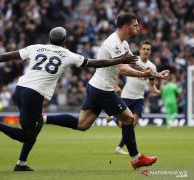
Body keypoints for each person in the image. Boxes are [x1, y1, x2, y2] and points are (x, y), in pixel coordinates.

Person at [0, 26, 139, 171]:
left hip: (20, 89)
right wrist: (119, 60)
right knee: (27, 135)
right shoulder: (67, 54)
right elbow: (96, 63)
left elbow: (8, 55)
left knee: (34, 127)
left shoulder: (36, 48)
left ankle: (21, 163)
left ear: (49, 39)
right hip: (34, 94)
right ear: (65, 40)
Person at [43, 13, 169, 169]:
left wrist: (156, 74)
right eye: (135, 25)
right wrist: (142, 74)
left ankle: (43, 119)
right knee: (129, 119)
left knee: (82, 124)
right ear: (126, 27)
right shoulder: (113, 43)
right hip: (103, 90)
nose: (138, 27)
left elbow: (135, 63)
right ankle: (136, 159)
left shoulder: (123, 44)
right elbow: (122, 68)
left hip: (95, 86)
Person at [106, 40, 170, 155]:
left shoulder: (152, 66)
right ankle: (115, 117)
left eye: (148, 49)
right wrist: (116, 85)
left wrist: (159, 92)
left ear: (150, 52)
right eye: (144, 49)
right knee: (123, 125)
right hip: (126, 96)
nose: (146, 51)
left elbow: (151, 87)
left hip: (139, 99)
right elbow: (117, 70)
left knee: (132, 124)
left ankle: (119, 147)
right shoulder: (133, 61)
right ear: (140, 50)